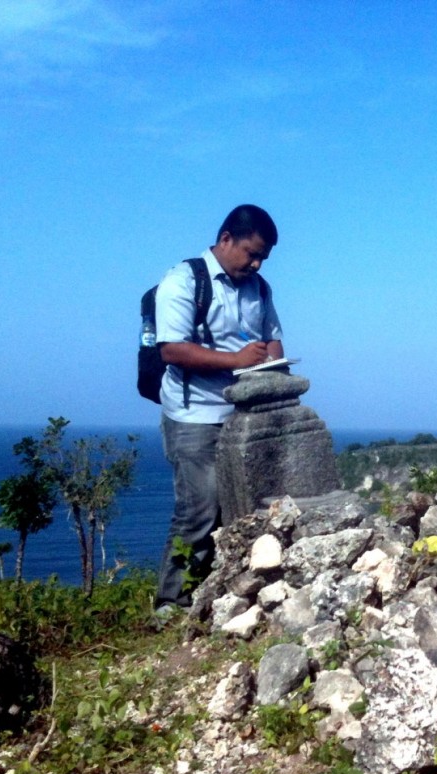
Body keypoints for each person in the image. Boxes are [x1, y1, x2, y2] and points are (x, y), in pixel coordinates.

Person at [153, 204, 284, 610]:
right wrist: (237, 361)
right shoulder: (182, 281)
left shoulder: (258, 288)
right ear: (226, 239)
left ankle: (221, 595)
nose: (257, 262)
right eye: (251, 252)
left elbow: (273, 338)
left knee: (242, 509)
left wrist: (273, 366)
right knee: (200, 510)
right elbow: (171, 350)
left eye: (263, 256)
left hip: (243, 414)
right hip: (195, 416)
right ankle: (169, 601)